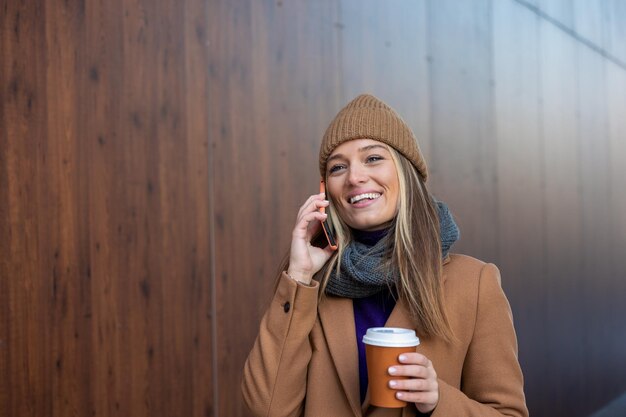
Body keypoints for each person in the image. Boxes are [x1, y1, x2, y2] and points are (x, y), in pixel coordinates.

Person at [241, 94, 528, 417]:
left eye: (373, 158)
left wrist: (437, 401)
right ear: (326, 191)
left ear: (406, 174)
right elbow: (266, 410)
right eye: (338, 167)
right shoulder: (310, 285)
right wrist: (298, 275)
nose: (354, 177)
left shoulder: (474, 283)